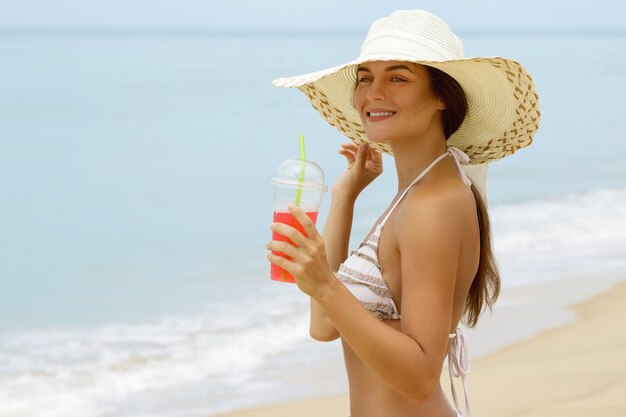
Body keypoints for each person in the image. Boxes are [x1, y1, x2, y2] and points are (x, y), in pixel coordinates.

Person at [267, 9, 540, 417]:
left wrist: (324, 282)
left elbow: (419, 378)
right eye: (365, 78)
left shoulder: (434, 205)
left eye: (398, 77)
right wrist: (345, 196)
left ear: (442, 97)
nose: (373, 93)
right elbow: (324, 325)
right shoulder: (415, 194)